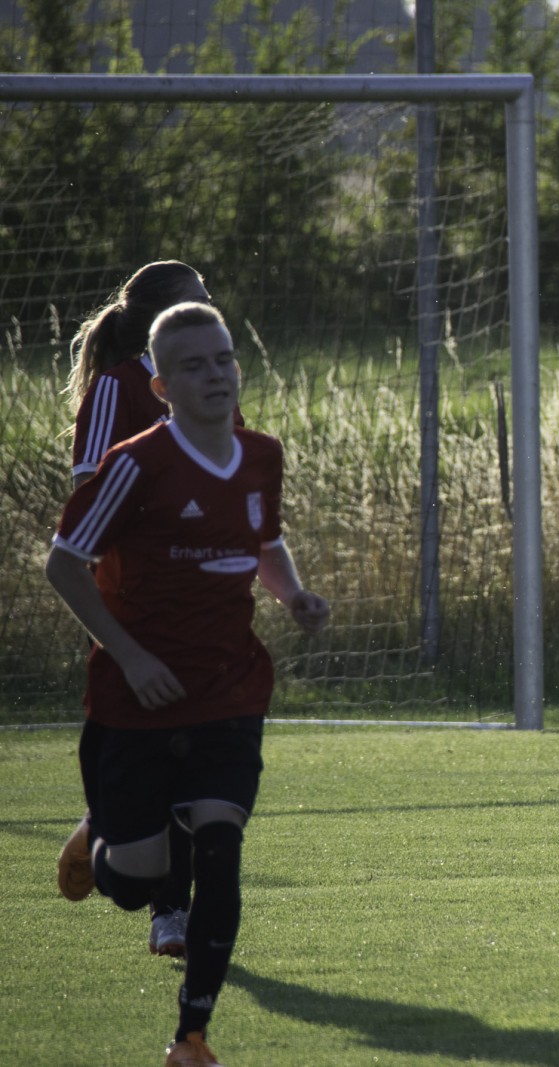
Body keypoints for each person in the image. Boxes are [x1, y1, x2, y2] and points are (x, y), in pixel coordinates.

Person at [47, 302, 329, 1066]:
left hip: (229, 689)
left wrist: (294, 596)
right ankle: (99, 837)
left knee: (220, 847)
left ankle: (191, 1036)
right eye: (194, 365)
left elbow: (264, 542)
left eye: (225, 359)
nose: (215, 375)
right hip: (136, 697)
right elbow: (64, 565)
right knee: (136, 882)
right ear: (162, 386)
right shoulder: (134, 465)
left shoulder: (262, 455)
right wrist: (133, 657)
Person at [57, 260, 217, 961]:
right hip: (135, 602)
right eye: (199, 300)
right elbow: (88, 489)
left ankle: (165, 904)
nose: (211, 309)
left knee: (194, 757)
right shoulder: (116, 389)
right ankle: (131, 857)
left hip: (203, 604)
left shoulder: (210, 384)